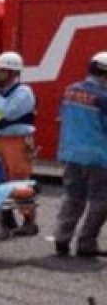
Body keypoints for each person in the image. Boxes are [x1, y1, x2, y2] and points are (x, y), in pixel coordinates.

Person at [0, 51, 38, 236]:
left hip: (18, 141)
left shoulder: (23, 93)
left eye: (1, 72)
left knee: (19, 181)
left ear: (12, 73)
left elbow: (8, 113)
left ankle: (29, 221)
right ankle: (6, 220)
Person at [54, 51, 107, 257]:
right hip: (99, 157)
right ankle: (86, 242)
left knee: (72, 198)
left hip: (71, 154)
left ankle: (61, 239)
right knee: (100, 200)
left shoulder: (69, 90)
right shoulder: (103, 98)